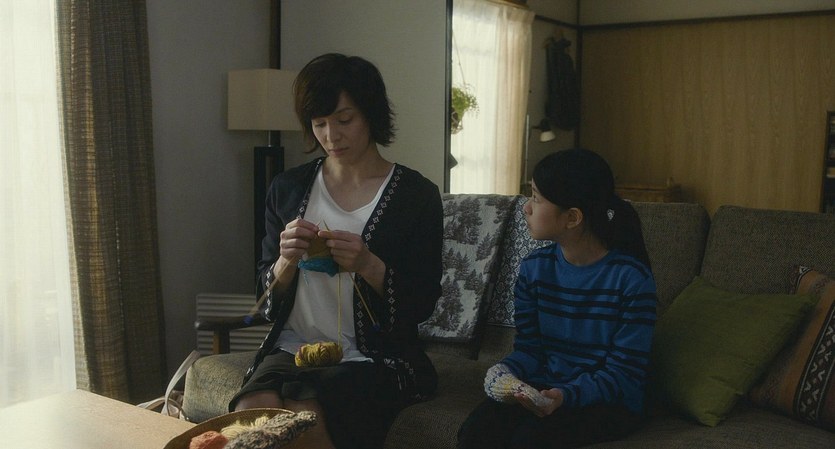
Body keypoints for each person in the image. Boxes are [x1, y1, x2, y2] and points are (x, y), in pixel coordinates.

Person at [230, 53, 443, 449]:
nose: (331, 136)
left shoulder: (416, 196)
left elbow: (423, 302)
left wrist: (368, 264)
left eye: (344, 120)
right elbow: (265, 296)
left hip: (374, 356)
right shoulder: (287, 188)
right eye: (319, 123)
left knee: (304, 414)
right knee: (253, 410)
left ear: (371, 115)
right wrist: (285, 261)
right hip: (293, 347)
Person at [457, 148, 657, 449]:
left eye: (536, 198)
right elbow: (530, 351)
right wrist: (507, 371)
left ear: (572, 217)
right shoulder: (534, 269)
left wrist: (565, 395)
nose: (526, 208)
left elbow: (623, 373)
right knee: (477, 430)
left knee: (530, 440)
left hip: (611, 402)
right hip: (549, 389)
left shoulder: (631, 279)